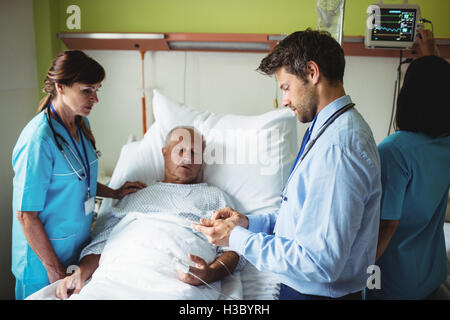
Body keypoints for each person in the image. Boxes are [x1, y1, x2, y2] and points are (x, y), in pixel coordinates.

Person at [193, 29, 382, 300]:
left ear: (312, 72)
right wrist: (247, 223)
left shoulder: (338, 149)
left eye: (285, 87)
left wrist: (235, 238)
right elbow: (302, 218)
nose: (284, 100)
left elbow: (319, 262)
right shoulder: (327, 129)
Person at [11, 50, 146, 300]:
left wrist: (113, 192)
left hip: (76, 248)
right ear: (61, 87)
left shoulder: (81, 125)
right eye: (87, 90)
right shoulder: (38, 141)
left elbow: (77, 181)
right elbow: (26, 216)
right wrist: (55, 271)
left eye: (97, 89)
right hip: (43, 264)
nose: (95, 98)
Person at [55, 127, 244, 299]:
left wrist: (209, 273)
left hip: (176, 281)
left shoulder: (216, 198)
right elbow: (102, 242)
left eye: (194, 153)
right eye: (180, 150)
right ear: (164, 153)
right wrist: (80, 273)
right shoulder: (136, 193)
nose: (187, 158)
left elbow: (234, 249)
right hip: (119, 273)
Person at [366, 30, 450, 300]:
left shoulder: (394, 151)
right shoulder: (445, 142)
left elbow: (386, 226)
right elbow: (440, 90)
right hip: (433, 274)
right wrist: (432, 56)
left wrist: (355, 276)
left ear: (408, 95)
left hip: (394, 286)